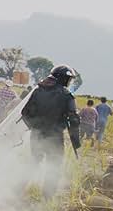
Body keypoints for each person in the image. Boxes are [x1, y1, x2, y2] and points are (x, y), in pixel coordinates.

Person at [21, 65, 81, 198]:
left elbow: (24, 113)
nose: (69, 82)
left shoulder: (38, 91)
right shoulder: (66, 96)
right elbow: (74, 120)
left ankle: (19, 188)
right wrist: (76, 143)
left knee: (34, 162)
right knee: (54, 166)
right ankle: (47, 197)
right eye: (69, 79)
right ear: (64, 78)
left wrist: (35, 127)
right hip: (54, 137)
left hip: (36, 135)